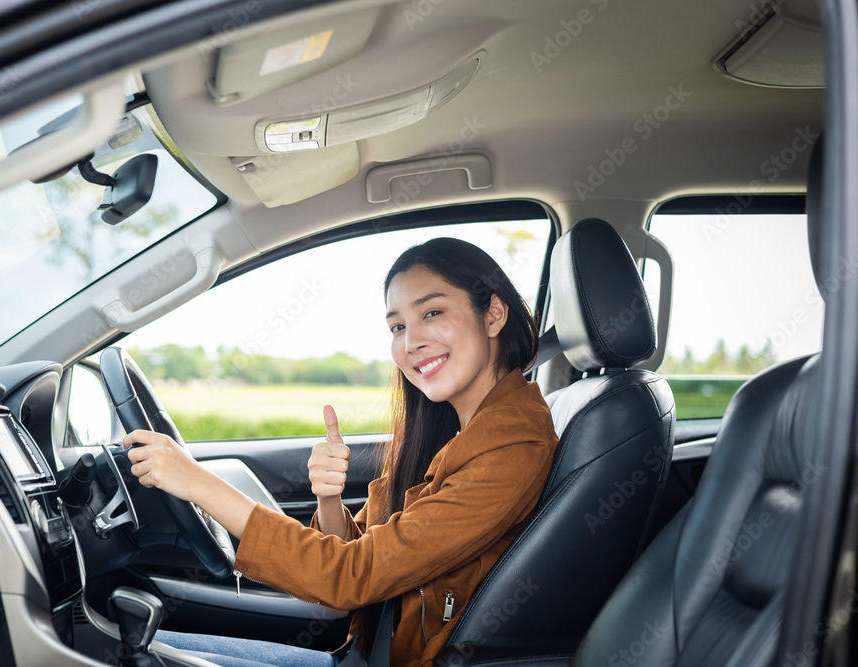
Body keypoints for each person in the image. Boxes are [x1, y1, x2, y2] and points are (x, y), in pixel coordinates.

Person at [124, 237, 561, 667]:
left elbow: (351, 575)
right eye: (398, 326)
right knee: (135, 644)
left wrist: (196, 482)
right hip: (363, 654)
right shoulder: (457, 431)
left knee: (120, 650)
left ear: (494, 314)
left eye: (432, 312)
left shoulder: (511, 446)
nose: (411, 343)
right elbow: (365, 555)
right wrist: (328, 500)